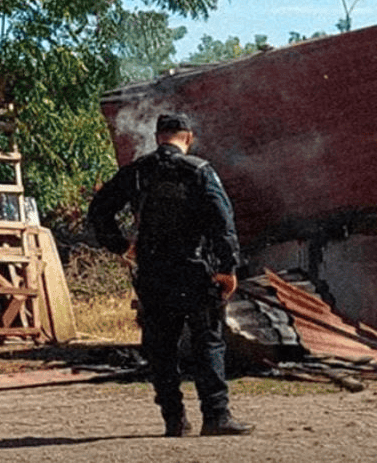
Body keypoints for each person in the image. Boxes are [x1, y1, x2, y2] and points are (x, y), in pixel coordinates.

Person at [89, 113, 254, 437]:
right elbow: (223, 222)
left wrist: (121, 245)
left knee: (161, 347)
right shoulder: (200, 171)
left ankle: (174, 420)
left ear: (157, 137)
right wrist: (227, 268)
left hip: (153, 273)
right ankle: (216, 416)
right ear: (188, 138)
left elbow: (100, 210)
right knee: (208, 342)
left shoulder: (138, 171)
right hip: (195, 272)